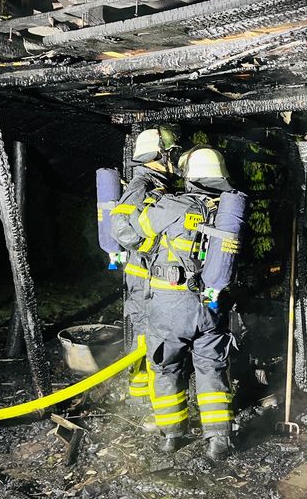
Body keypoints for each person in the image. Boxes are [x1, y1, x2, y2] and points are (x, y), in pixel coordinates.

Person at [142, 146, 245, 459]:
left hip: (170, 304)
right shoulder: (226, 212)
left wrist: (148, 193)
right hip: (211, 306)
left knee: (166, 367)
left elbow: (136, 232)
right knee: (212, 367)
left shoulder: (172, 204)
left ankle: (172, 436)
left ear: (189, 175)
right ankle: (218, 442)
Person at [110, 126, 181, 414]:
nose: (175, 160)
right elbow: (122, 230)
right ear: (161, 154)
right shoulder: (141, 183)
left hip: (149, 277)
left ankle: (144, 396)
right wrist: (150, 246)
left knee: (150, 336)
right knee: (146, 336)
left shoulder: (156, 181)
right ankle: (143, 400)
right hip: (143, 278)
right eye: (172, 153)